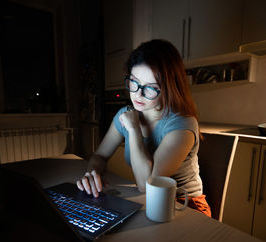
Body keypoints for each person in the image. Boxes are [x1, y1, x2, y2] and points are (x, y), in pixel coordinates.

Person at [76, 39, 211, 217]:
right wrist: (92, 175)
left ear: (168, 88)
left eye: (150, 88)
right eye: (134, 82)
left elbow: (148, 184)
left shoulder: (182, 125)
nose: (138, 94)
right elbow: (99, 156)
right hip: (149, 201)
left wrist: (133, 130)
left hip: (186, 206)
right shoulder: (127, 114)